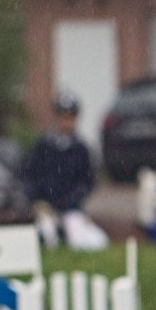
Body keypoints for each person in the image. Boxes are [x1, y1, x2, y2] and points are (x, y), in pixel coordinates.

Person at [24, 93, 101, 249]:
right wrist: (36, 200)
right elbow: (29, 175)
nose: (66, 122)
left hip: (70, 208)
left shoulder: (81, 149)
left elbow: (87, 181)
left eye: (70, 118)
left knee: (79, 241)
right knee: (46, 236)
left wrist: (71, 201)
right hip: (45, 207)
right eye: (62, 117)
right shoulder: (43, 146)